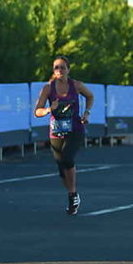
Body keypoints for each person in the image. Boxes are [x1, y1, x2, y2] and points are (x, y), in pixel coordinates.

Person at [34, 55, 94, 215]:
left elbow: (90, 96)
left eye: (62, 67)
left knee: (68, 158)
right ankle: (72, 195)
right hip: (56, 133)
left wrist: (86, 113)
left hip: (75, 129)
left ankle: (73, 195)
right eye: (56, 67)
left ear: (68, 69)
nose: (59, 70)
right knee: (62, 169)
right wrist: (48, 109)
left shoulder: (76, 85)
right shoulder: (48, 88)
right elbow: (37, 111)